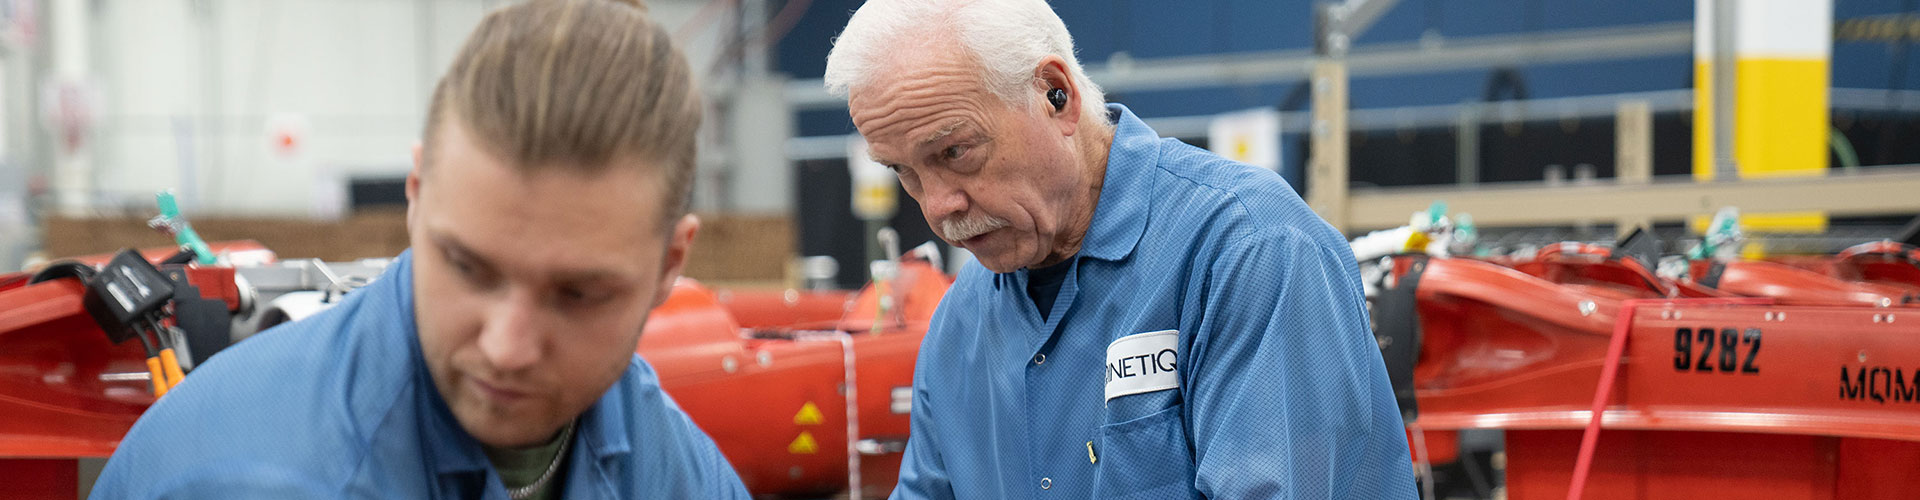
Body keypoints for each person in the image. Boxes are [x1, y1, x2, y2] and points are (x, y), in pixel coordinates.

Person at [90, 1, 751, 498]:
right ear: (416, 192)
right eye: (468, 268)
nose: (506, 347)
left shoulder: (665, 460)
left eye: (577, 294)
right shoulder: (260, 479)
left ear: (670, 263)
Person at [824, 1, 1417, 498]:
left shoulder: (1248, 251)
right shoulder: (961, 328)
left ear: (1056, 94)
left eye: (955, 153)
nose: (937, 206)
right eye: (905, 172)